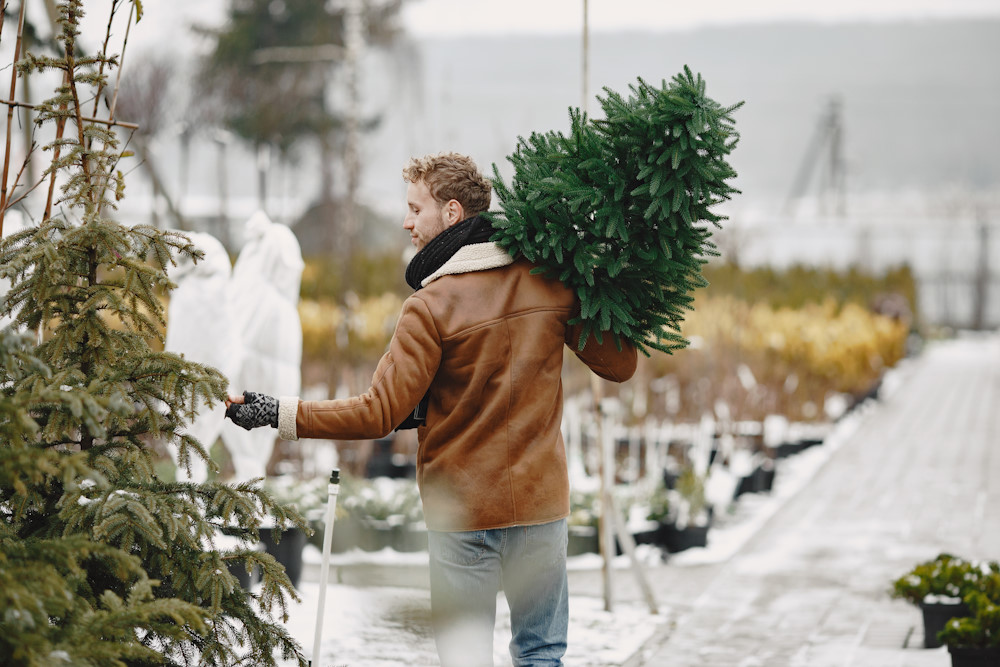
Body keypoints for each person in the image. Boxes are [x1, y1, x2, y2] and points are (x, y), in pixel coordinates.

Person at [226, 152, 636, 666]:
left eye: (415, 208)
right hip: (539, 506)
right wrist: (596, 276)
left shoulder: (430, 306)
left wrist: (279, 412)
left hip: (462, 515)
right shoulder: (548, 280)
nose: (405, 221)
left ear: (452, 213)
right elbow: (620, 365)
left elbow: (378, 413)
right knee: (542, 653)